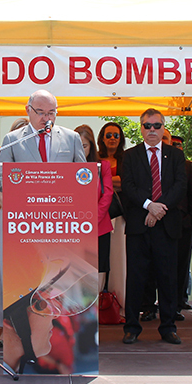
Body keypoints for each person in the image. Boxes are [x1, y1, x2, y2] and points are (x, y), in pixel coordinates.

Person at [0, 90, 87, 324]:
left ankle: (58, 330)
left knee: (56, 281)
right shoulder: (13, 140)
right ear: (28, 111)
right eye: (41, 113)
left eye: (51, 113)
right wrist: (36, 180)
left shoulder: (71, 138)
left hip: (59, 222)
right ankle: (14, 332)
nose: (46, 118)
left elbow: (84, 178)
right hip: (23, 222)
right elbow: (0, 181)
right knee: (21, 279)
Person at [120, 109, 186, 345]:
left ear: (163, 127)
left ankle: (168, 327)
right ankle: (131, 327)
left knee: (167, 279)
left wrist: (159, 209)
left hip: (166, 226)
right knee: (136, 279)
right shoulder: (130, 155)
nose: (152, 130)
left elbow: (180, 185)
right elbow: (128, 186)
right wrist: (149, 206)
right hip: (139, 227)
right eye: (147, 126)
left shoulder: (175, 155)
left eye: (157, 125)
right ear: (141, 128)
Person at [75, 124, 115, 298]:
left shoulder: (102, 166)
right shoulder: (65, 167)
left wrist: (92, 220)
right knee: (76, 269)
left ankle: (96, 306)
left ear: (91, 146)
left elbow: (107, 195)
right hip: (74, 228)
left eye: (84, 146)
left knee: (99, 269)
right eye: (77, 146)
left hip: (99, 227)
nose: (80, 150)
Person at [97, 121, 128, 316]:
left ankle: (119, 302)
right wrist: (113, 181)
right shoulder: (95, 158)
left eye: (116, 135)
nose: (112, 139)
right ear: (102, 138)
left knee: (118, 258)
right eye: (108, 135)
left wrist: (104, 180)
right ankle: (97, 300)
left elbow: (128, 183)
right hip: (99, 214)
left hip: (119, 214)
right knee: (100, 258)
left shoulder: (127, 159)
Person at [170, 134, 192, 317]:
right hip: (162, 221)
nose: (176, 147)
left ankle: (179, 300)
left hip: (184, 223)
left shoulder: (190, 166)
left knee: (182, 264)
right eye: (173, 144)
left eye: (179, 145)